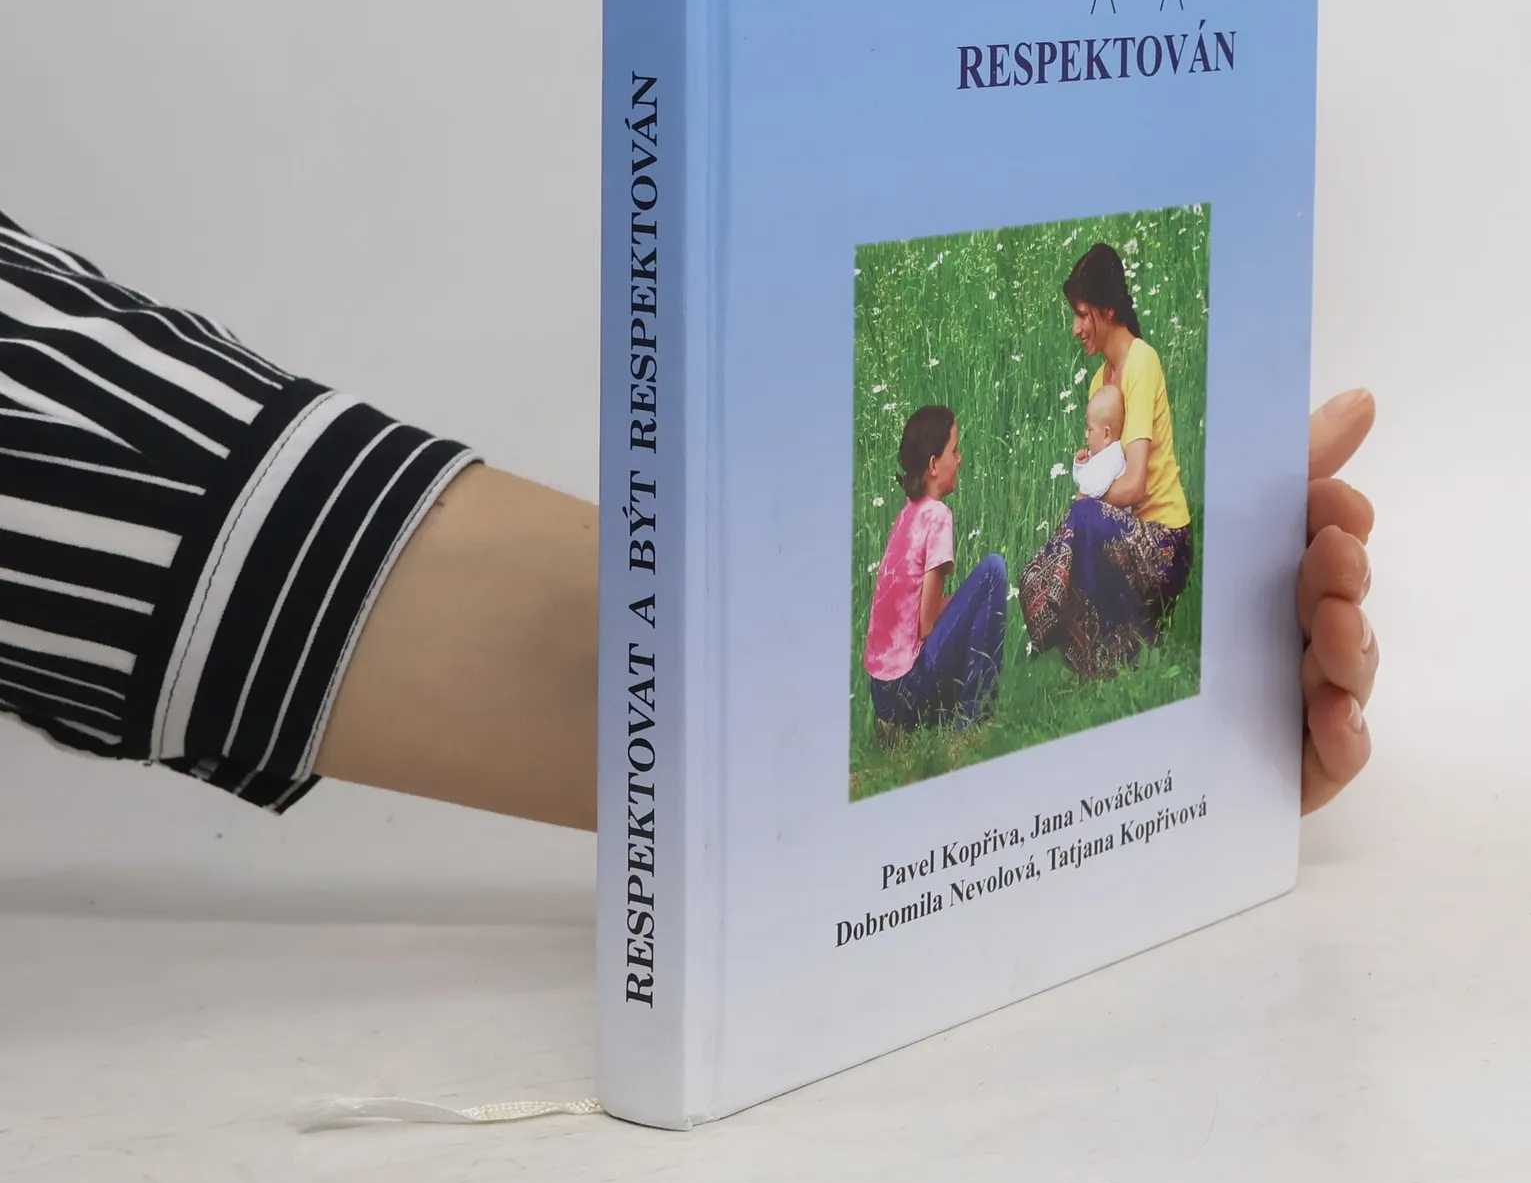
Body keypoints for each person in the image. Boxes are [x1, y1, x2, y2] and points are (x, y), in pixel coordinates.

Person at [0, 207, 1379, 826]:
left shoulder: (1114, 384)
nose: (1075, 332)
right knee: (1023, 562)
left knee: (1045, 556)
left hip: (871, 694)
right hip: (899, 689)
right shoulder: (948, 510)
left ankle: (1103, 680)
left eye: (1081, 314)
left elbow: (146, 486)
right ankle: (1082, 672)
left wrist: (1156, 792)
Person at [1020, 242, 1193, 676]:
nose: (1076, 328)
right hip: (1126, 533)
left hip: (1165, 542)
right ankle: (1115, 656)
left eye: (1082, 314)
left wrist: (1085, 510)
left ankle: (1130, 639)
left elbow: (1134, 486)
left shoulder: (1141, 362)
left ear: (1108, 311)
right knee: (1081, 533)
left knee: (1083, 520)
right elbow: (1107, 475)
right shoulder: (1101, 380)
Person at [862, 405, 1006, 733]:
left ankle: (895, 726)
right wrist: (965, 604)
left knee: (976, 595)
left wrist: (963, 606)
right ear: (933, 465)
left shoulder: (906, 515)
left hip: (882, 694)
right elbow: (927, 624)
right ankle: (972, 721)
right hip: (908, 688)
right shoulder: (937, 516)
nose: (960, 459)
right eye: (954, 451)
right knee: (993, 573)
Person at [1070, 382, 1128, 501]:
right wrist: (1081, 465)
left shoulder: (1113, 457)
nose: (1086, 434)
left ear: (1106, 435)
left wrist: (1081, 493)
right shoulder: (1100, 454)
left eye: (1090, 429)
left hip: (1113, 512)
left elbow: (1094, 490)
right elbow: (1081, 482)